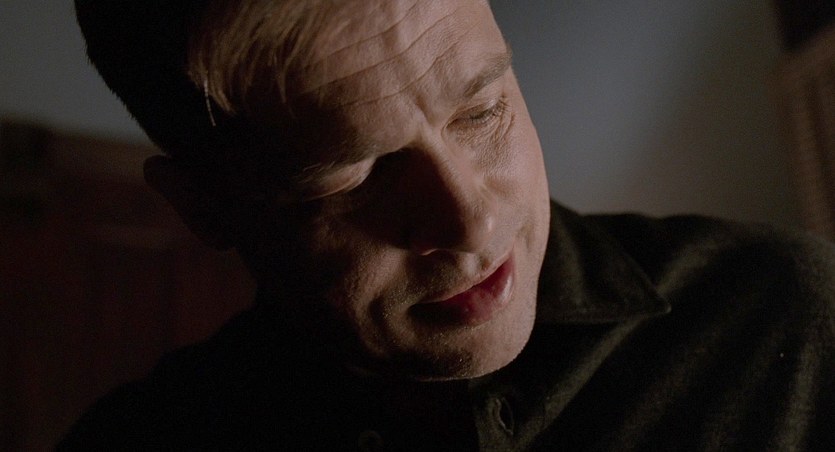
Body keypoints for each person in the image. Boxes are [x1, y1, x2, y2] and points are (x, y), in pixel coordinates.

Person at [61, 0, 835, 450]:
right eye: (355, 175)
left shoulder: (792, 318)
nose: (472, 220)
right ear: (205, 206)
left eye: (481, 112)